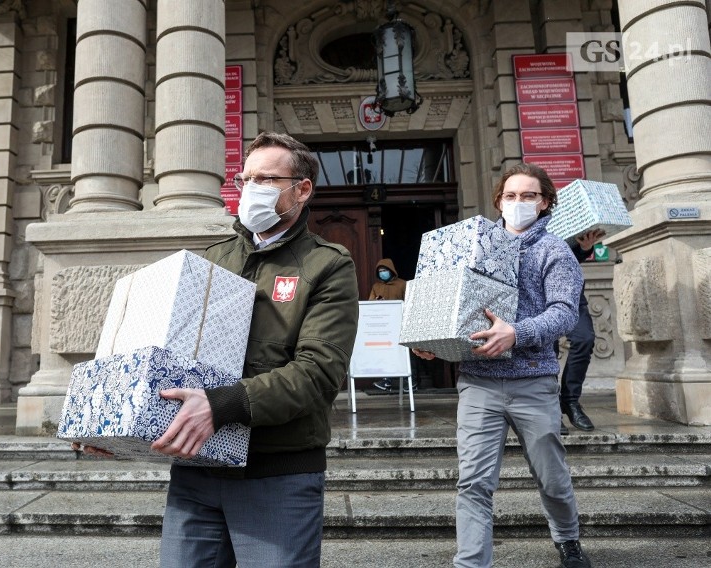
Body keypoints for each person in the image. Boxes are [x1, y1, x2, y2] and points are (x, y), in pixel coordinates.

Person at [79, 131, 359, 568]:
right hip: (197, 472)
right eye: (245, 179)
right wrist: (113, 420)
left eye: (266, 180)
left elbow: (319, 373)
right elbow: (170, 358)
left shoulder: (328, 264)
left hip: (277, 472)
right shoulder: (210, 258)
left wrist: (221, 404)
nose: (250, 190)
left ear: (302, 189)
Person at [413, 163, 593, 568]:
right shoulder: (473, 244)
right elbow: (448, 301)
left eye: (528, 196)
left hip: (534, 381)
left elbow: (565, 313)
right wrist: (431, 340)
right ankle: (471, 563)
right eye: (510, 196)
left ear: (544, 203)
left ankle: (567, 538)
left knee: (552, 477)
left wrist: (517, 332)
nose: (518, 203)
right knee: (474, 482)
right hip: (479, 383)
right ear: (499, 201)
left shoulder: (555, 250)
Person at [558, 229, 605, 434]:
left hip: (570, 293)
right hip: (538, 293)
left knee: (584, 339)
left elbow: (568, 254)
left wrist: (585, 248)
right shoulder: (520, 213)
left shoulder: (569, 207)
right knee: (546, 350)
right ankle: (550, 408)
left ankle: (570, 400)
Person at [368, 259, 410, 392]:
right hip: (384, 325)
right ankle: (386, 381)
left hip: (400, 324)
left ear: (391, 271)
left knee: (404, 351)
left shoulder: (402, 284)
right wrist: (377, 301)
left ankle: (411, 382)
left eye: (384, 270)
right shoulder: (376, 287)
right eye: (380, 271)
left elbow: (408, 302)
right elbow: (370, 303)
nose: (382, 273)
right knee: (385, 351)